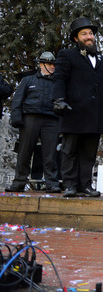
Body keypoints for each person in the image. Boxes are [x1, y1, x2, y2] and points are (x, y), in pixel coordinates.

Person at [52, 17, 103, 197]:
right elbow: (59, 78)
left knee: (89, 153)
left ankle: (86, 185)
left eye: (91, 33)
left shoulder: (101, 58)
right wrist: (58, 99)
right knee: (69, 150)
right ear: (76, 38)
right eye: (84, 34)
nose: (89, 37)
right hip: (72, 110)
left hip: (94, 113)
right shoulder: (66, 55)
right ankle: (69, 185)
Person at [6, 52, 60, 193]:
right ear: (41, 64)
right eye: (49, 64)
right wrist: (16, 117)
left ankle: (52, 183)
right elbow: (17, 100)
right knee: (24, 152)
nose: (52, 67)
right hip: (30, 119)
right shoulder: (28, 80)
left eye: (54, 64)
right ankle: (19, 182)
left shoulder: (58, 82)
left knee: (50, 154)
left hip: (51, 120)